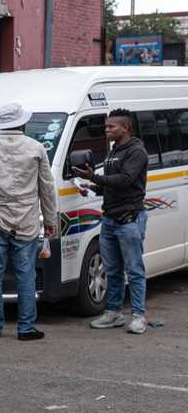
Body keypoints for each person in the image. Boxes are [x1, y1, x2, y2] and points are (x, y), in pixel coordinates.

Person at [0, 102, 58, 341]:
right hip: (27, 221)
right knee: (26, 274)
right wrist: (50, 220)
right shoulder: (36, 147)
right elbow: (47, 188)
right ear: (23, 122)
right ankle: (26, 328)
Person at [74, 108, 149, 334]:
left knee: (134, 270)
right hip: (109, 220)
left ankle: (138, 316)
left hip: (129, 220)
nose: (106, 130)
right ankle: (114, 313)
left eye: (111, 127)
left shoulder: (137, 151)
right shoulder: (114, 150)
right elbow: (111, 183)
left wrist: (93, 177)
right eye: (106, 126)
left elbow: (126, 180)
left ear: (125, 128)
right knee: (113, 270)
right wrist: (93, 188)